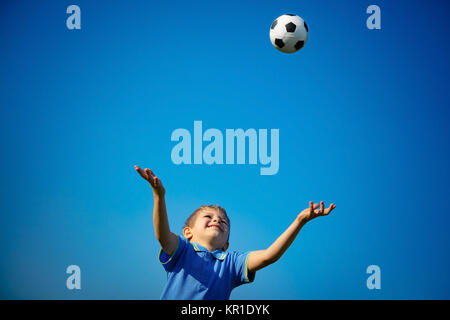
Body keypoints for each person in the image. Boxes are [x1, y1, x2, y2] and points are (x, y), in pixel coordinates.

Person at [134, 165, 336, 300]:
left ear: (226, 244)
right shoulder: (182, 251)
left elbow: (269, 256)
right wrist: (159, 196)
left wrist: (299, 221)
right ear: (188, 232)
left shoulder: (231, 263)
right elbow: (162, 235)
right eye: (209, 217)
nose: (217, 220)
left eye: (223, 221)